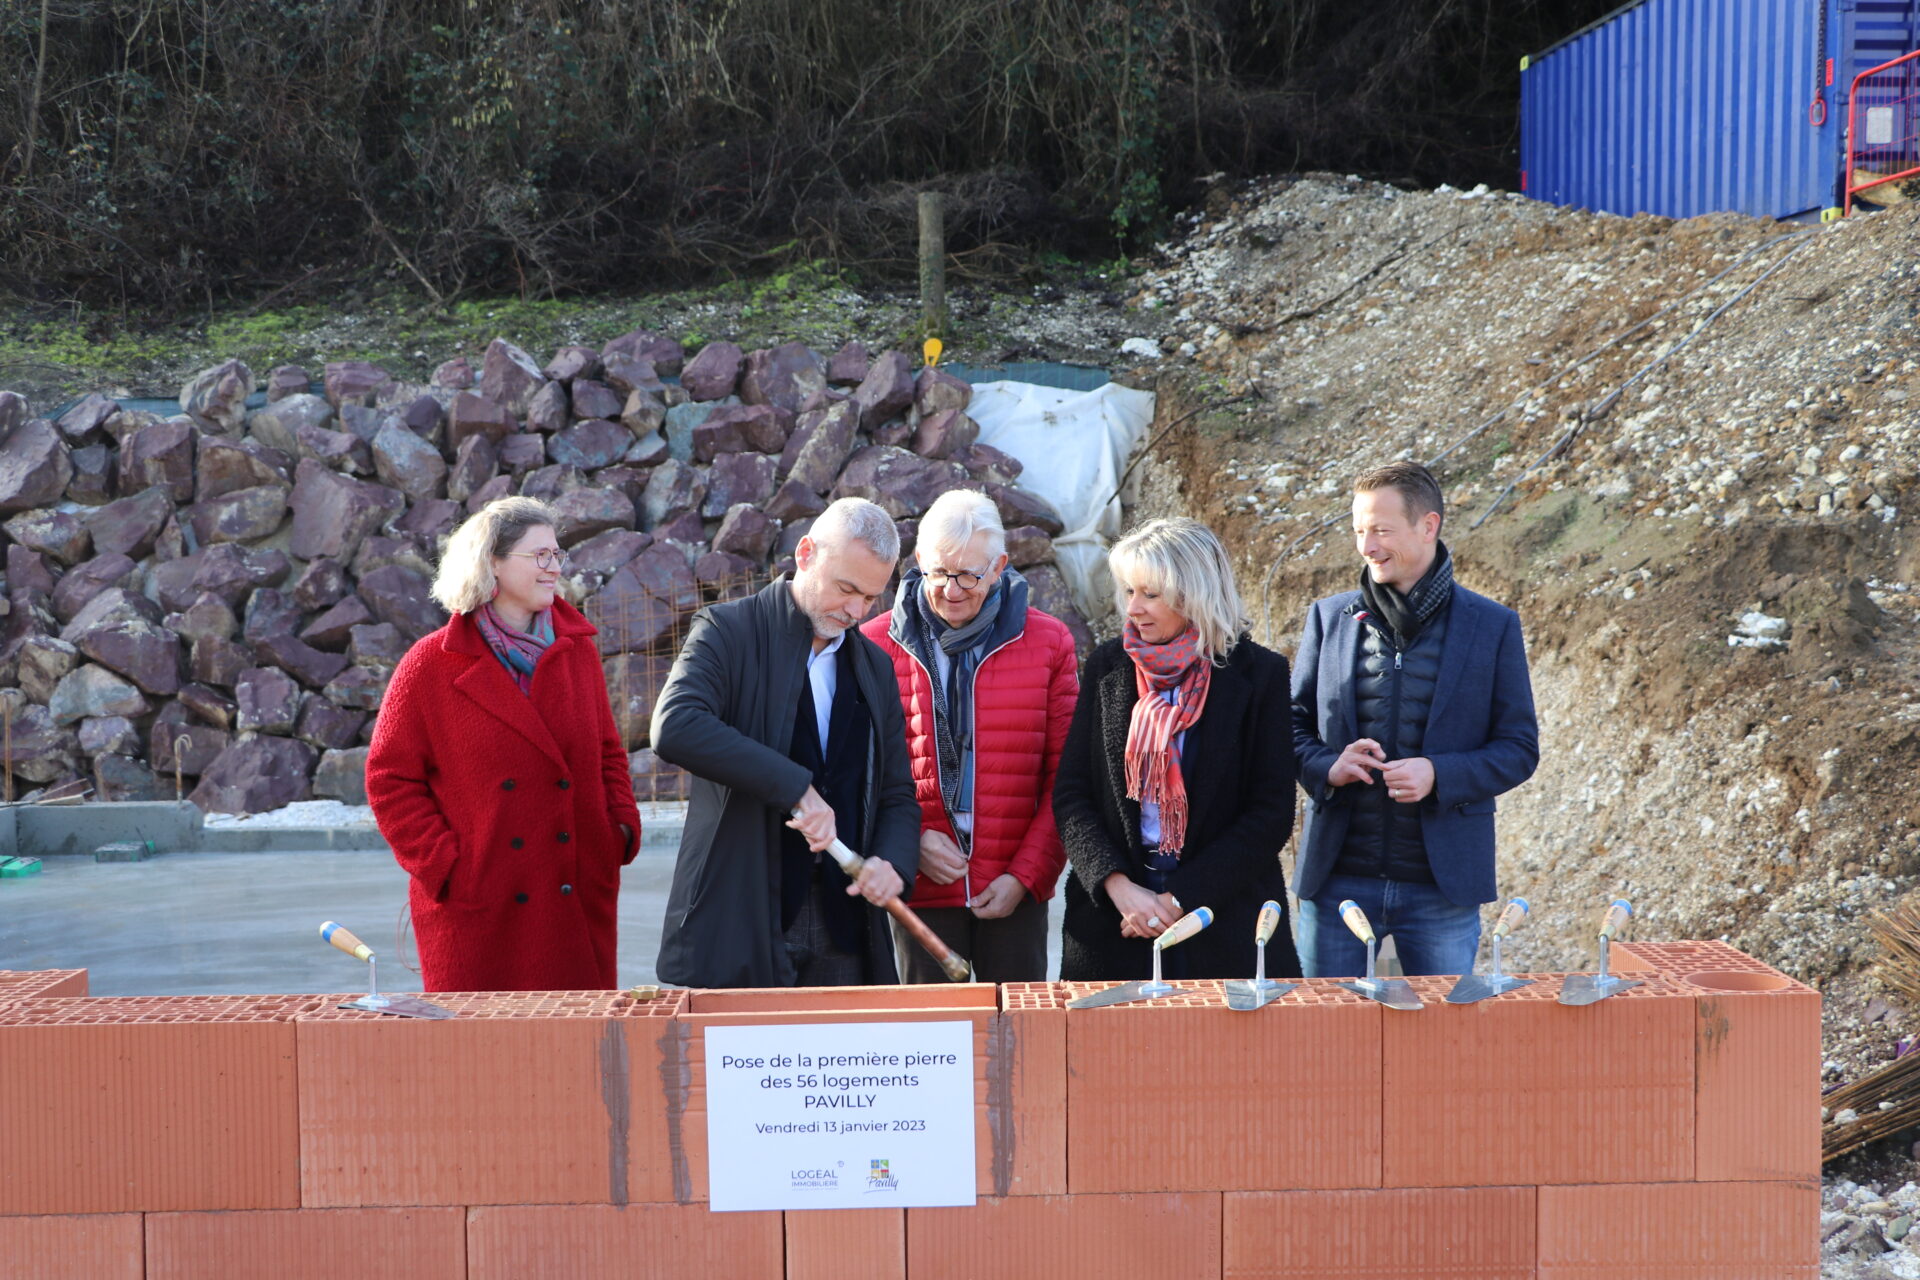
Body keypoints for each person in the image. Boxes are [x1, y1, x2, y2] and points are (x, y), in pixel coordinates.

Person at [366, 496, 642, 992]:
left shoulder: (576, 649)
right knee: (485, 1056)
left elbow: (607, 752)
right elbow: (389, 779)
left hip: (574, 887)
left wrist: (616, 829)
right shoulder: (431, 663)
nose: (554, 567)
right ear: (492, 561)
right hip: (481, 904)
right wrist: (444, 863)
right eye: (540, 556)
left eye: (557, 555)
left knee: (578, 1050)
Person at [652, 497, 919, 988]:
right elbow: (675, 725)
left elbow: (897, 792)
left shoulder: (875, 668)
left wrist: (892, 862)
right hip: (740, 915)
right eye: (846, 589)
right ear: (805, 553)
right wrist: (797, 788)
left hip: (845, 927)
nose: (856, 611)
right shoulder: (726, 630)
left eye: (870, 598)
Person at [1291, 462, 1539, 978]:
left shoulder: (1493, 626)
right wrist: (1326, 766)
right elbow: (1288, 727)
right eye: (1359, 531)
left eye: (1381, 530)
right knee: (1322, 1046)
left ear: (1429, 526)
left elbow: (1518, 747)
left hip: (1440, 889)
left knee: (1440, 1049)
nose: (1366, 546)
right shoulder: (1327, 618)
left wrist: (1438, 774)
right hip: (1336, 884)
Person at [1053, 516, 1299, 982]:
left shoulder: (1259, 674)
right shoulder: (1108, 666)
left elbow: (1269, 813)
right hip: (1114, 921)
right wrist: (1119, 888)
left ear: (1193, 594)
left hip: (1224, 915)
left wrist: (1178, 899)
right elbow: (1072, 795)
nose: (1134, 609)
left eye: (1150, 594)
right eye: (1129, 591)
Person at [861, 489, 1079, 982]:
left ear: (1000, 566)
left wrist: (1026, 876)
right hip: (917, 886)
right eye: (939, 572)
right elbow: (857, 770)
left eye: (970, 575)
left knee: (1017, 1041)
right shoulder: (873, 644)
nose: (952, 589)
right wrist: (909, 841)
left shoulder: (1048, 642)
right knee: (930, 1044)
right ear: (918, 561)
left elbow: (1066, 776)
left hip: (1012, 889)